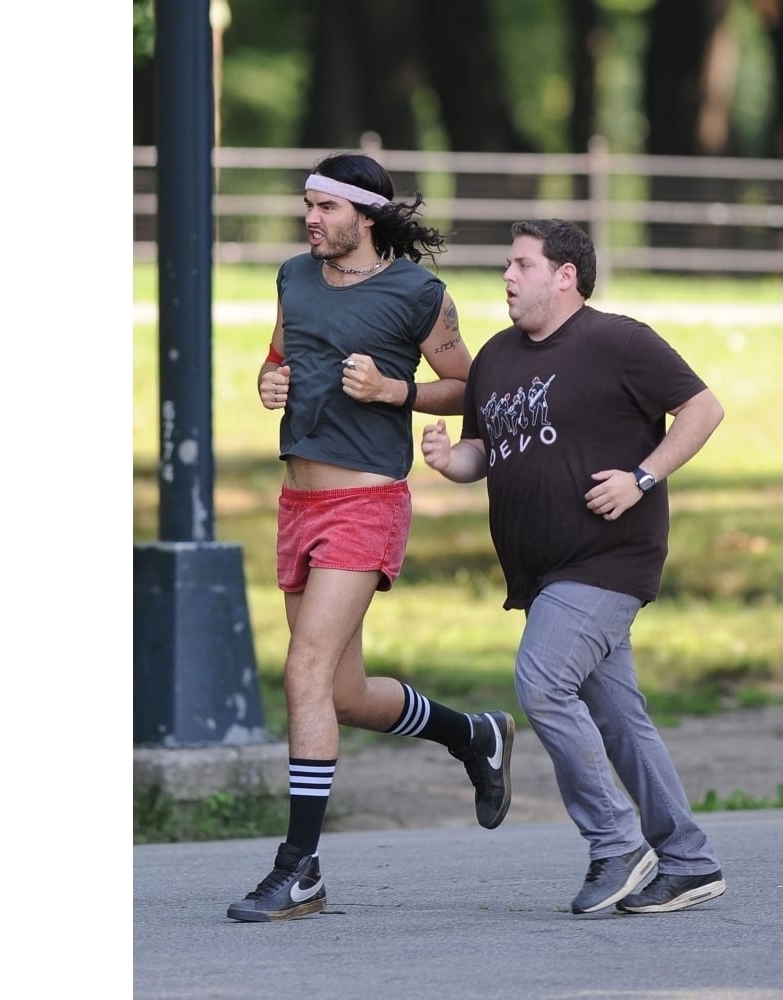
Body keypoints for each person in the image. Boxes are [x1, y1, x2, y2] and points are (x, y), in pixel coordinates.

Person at [226, 152, 515, 923]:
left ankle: (300, 869)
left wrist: (397, 391)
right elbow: (278, 358)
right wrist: (268, 383)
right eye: (307, 207)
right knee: (342, 694)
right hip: (299, 503)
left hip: (366, 504)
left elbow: (468, 384)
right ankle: (474, 735)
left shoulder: (419, 294)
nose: (311, 219)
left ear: (365, 215)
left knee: (304, 670)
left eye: (325, 208)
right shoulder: (293, 276)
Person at [421, 219, 726, 916]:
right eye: (507, 263)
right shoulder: (496, 357)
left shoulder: (618, 341)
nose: (507, 275)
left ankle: (618, 844)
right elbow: (482, 452)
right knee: (621, 719)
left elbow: (703, 409)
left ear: (565, 275)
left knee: (542, 680)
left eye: (522, 264)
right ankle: (687, 860)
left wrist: (643, 478)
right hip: (544, 574)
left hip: (611, 557)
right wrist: (448, 461)